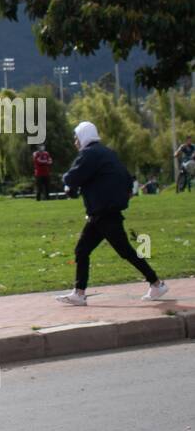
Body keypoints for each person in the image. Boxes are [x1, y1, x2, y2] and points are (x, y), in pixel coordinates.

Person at [56, 121, 166, 306]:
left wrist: (67, 182)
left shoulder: (89, 154)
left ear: (83, 136)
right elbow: (124, 177)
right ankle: (79, 293)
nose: (75, 142)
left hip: (104, 214)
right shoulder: (107, 153)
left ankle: (156, 283)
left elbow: (73, 176)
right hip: (103, 213)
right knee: (83, 250)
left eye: (76, 137)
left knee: (125, 251)